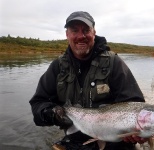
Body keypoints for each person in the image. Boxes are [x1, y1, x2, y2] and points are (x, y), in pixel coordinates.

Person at [29, 11, 147, 150]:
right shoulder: (58, 67)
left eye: (86, 30)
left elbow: (135, 105)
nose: (81, 36)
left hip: (115, 141)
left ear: (94, 33)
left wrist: (134, 131)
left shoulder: (113, 62)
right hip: (74, 139)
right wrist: (53, 113)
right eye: (74, 31)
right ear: (67, 35)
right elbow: (38, 103)